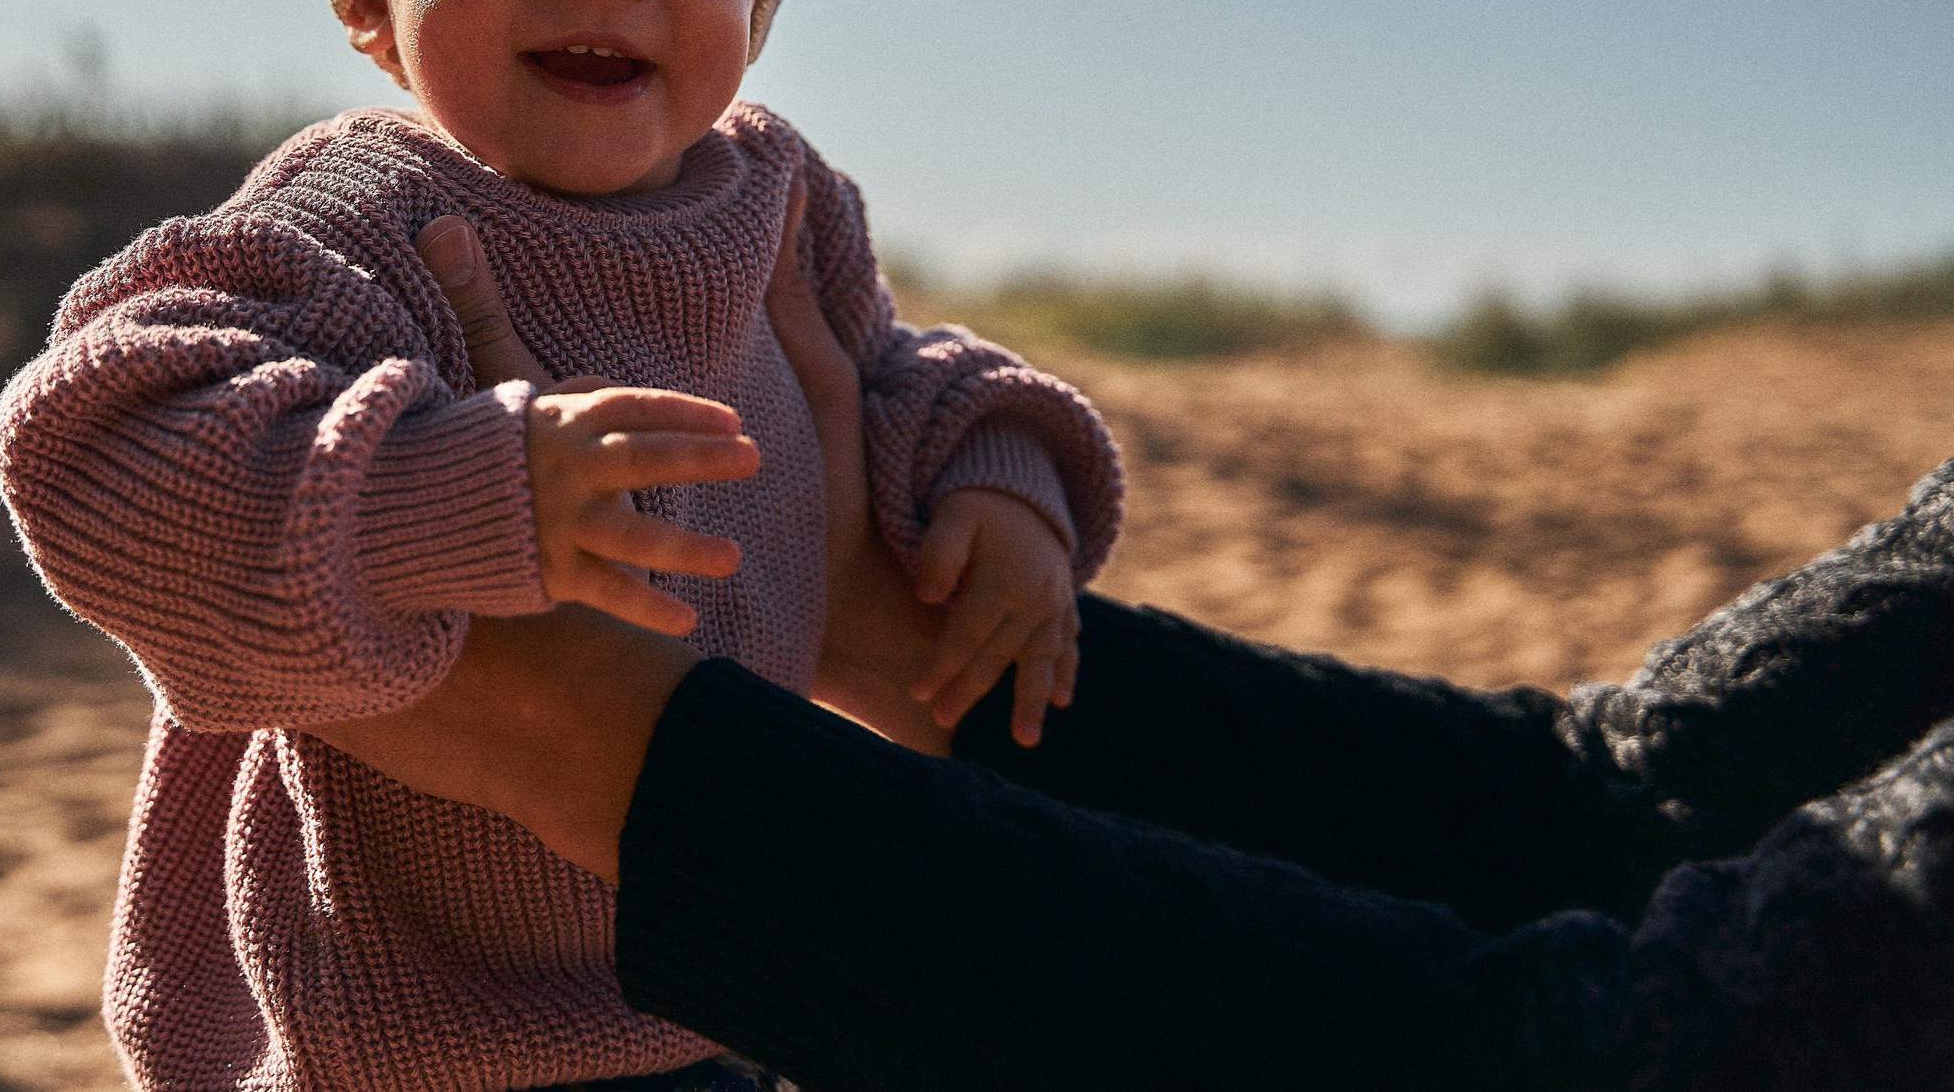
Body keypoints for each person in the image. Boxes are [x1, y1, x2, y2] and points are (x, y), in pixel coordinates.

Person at [0, 0, 1124, 1092]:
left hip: (724, 977)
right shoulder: (360, 214)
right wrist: (440, 495)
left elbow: (913, 389)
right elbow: (100, 448)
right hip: (412, 1038)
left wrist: (1008, 494)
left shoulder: (784, 207)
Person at [318, 236, 1954, 1092]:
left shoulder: (770, 186)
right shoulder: (346, 225)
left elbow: (1655, 1057)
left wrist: (664, 769)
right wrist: (931, 639)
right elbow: (1617, 805)